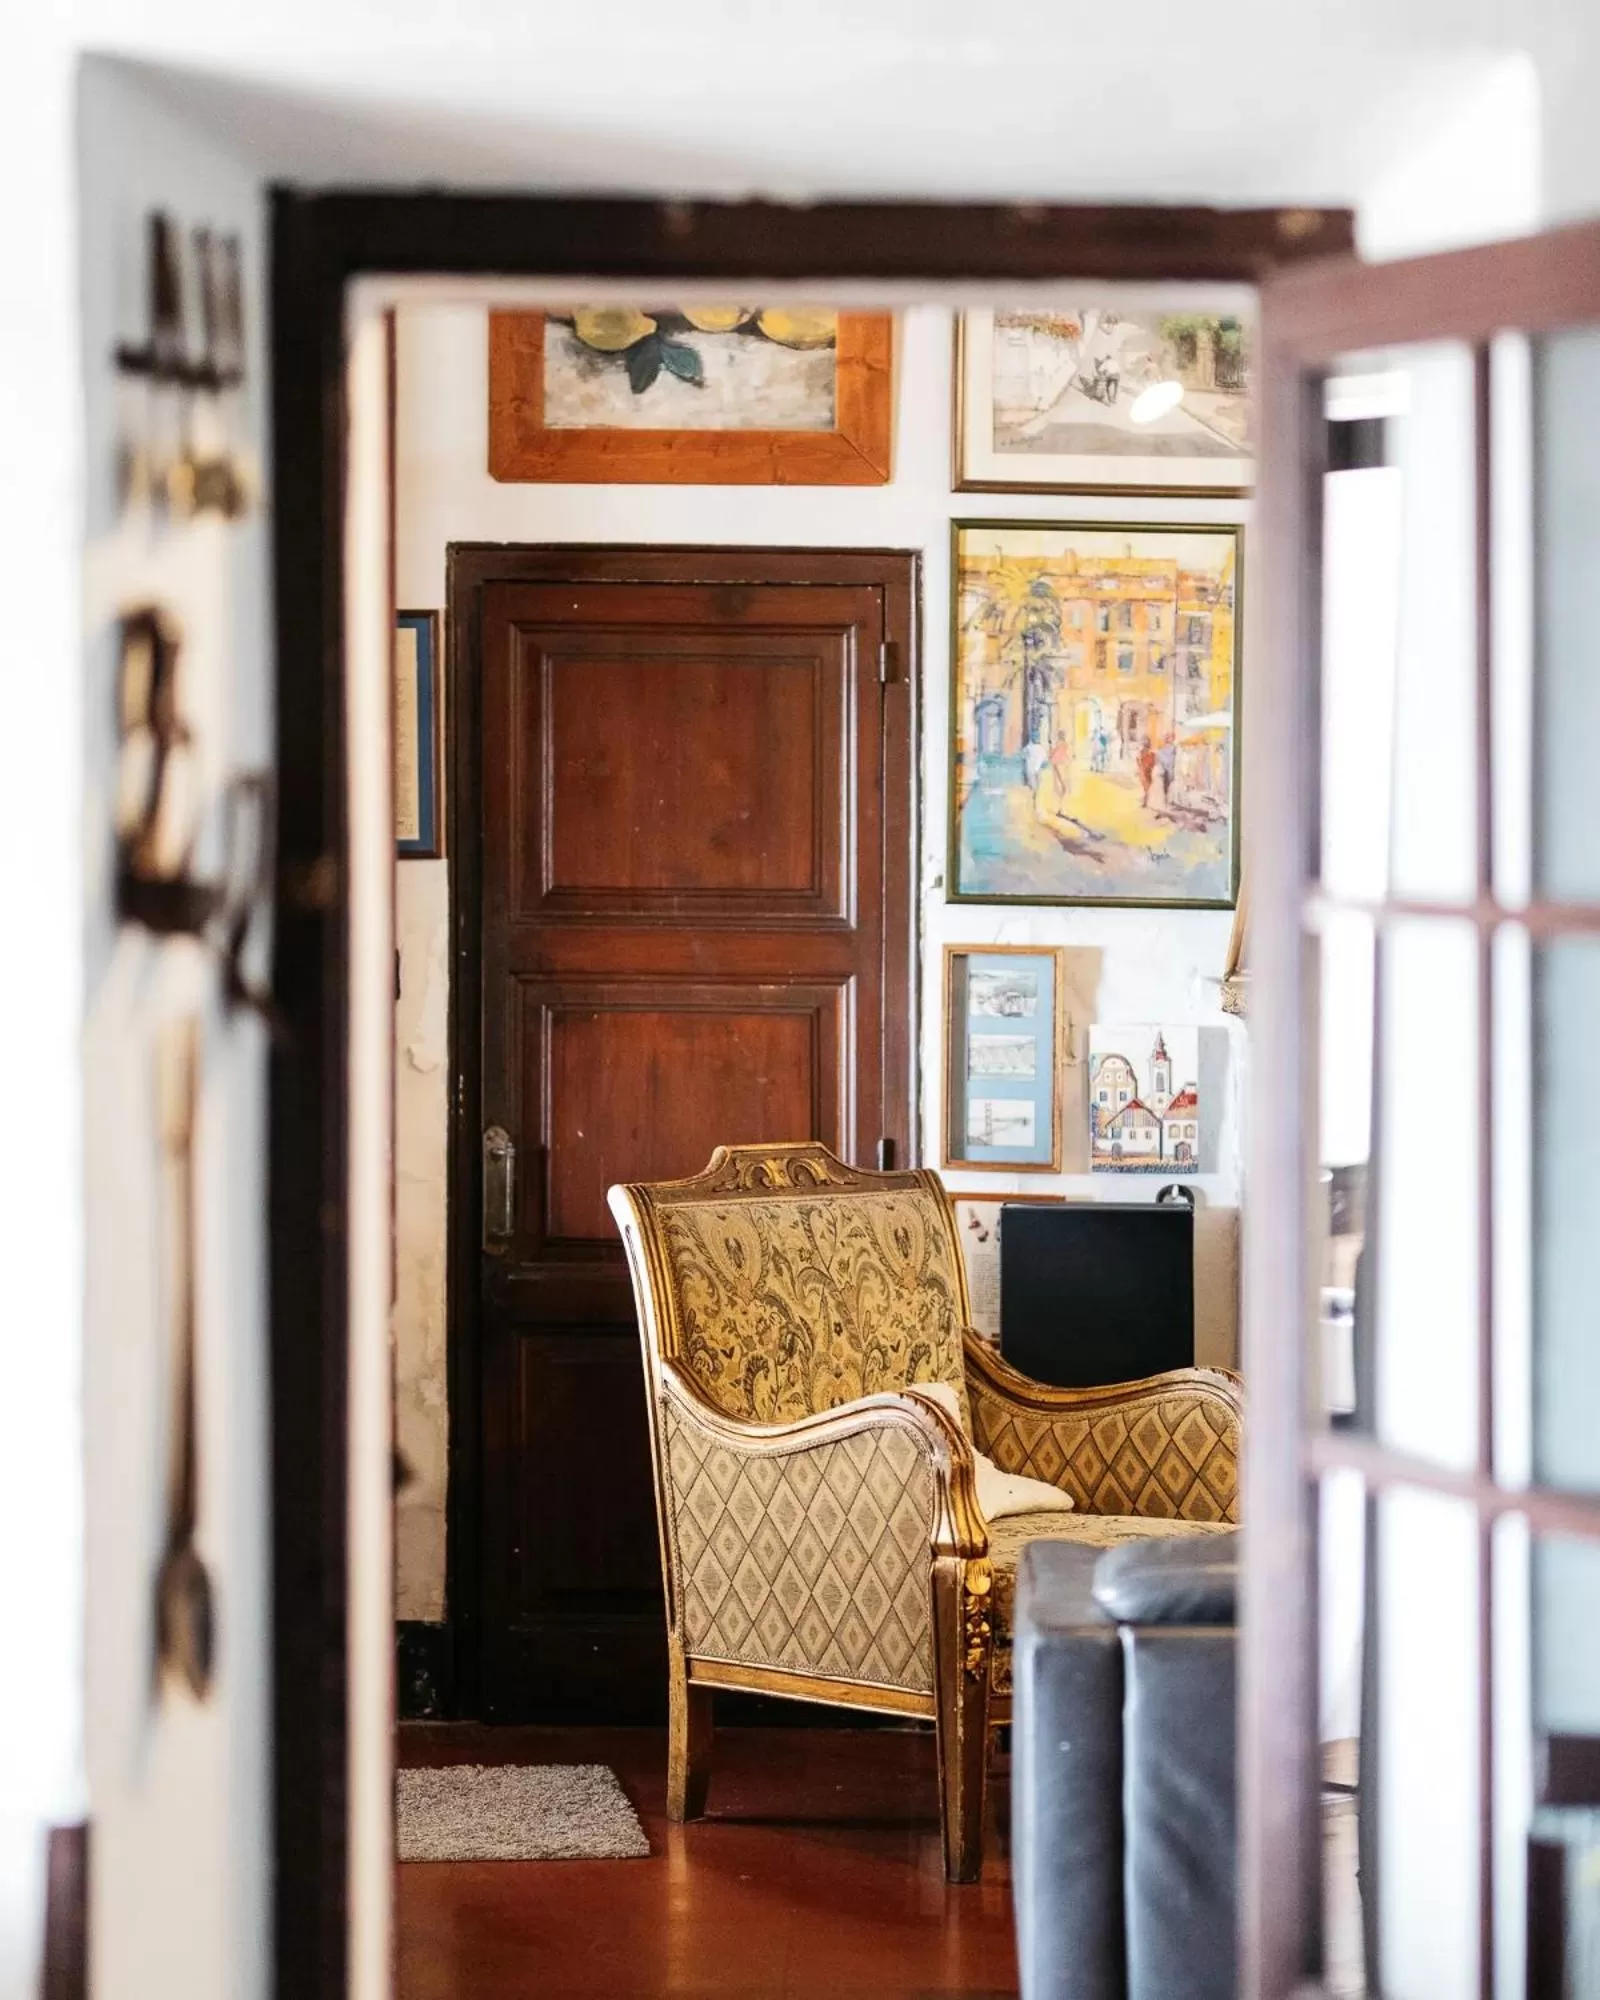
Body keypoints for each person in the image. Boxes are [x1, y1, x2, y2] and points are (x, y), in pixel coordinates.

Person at [1157, 733, 1177, 806]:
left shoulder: (1172, 748)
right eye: (1166, 738)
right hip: (1166, 769)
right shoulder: (1163, 749)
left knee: (1169, 785)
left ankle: (1169, 800)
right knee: (1167, 785)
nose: (1167, 739)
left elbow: (1173, 759)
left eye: (1168, 738)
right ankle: (1167, 800)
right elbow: (1160, 760)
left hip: (1169, 769)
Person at [1137, 735, 1157, 808]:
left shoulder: (1150, 753)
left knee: (1147, 787)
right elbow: (1139, 761)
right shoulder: (1143, 752)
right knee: (1146, 787)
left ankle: (1146, 801)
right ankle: (1146, 800)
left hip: (1147, 771)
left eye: (1145, 742)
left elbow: (1153, 761)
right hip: (1145, 770)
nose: (1144, 743)